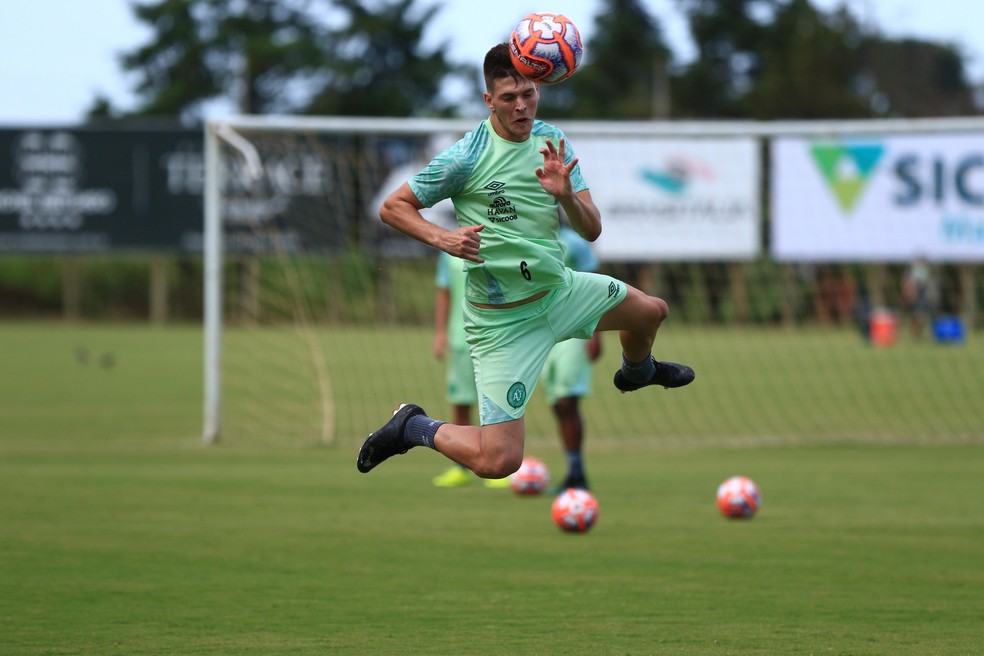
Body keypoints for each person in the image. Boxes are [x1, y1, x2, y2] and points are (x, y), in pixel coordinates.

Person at [357, 43, 694, 481]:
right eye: (508, 98)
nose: (521, 106)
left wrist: (566, 196)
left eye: (529, 94)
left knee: (652, 311)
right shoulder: (467, 157)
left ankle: (637, 372)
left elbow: (591, 230)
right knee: (498, 462)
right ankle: (413, 426)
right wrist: (443, 237)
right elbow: (392, 207)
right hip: (503, 324)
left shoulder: (552, 142)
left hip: (561, 292)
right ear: (488, 101)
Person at [431, 223, 600, 491]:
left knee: (563, 401)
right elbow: (445, 288)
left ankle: (575, 471)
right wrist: (440, 333)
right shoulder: (457, 246)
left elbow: (592, 282)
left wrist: (597, 334)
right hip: (481, 335)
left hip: (563, 329)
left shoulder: (569, 242)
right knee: (465, 399)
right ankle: (465, 465)